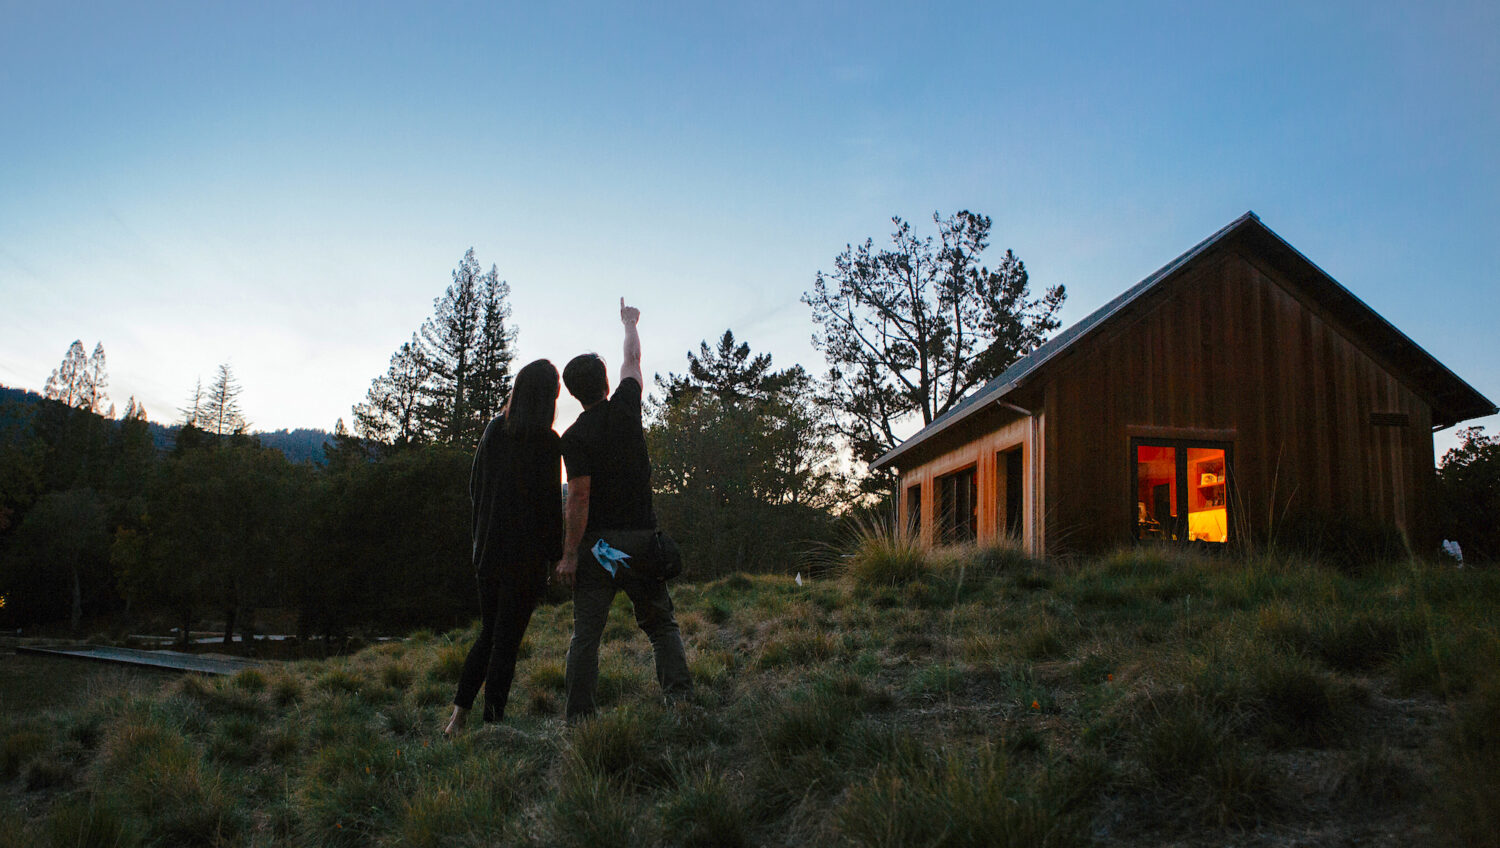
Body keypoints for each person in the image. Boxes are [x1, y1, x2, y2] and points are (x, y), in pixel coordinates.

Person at [555, 298, 691, 721]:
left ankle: (579, 718)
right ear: (606, 382)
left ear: (575, 393)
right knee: (660, 625)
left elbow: (578, 499)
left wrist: (570, 554)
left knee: (586, 637)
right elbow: (633, 357)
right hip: (640, 541)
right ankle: (681, 700)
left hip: (597, 549)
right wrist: (629, 322)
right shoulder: (628, 406)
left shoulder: (573, 438)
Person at [445, 359, 564, 734]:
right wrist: (556, 556)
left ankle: (457, 719)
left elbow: (472, 487)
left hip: (487, 553)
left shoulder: (496, 429)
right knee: (507, 642)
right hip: (523, 562)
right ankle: (493, 723)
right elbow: (549, 506)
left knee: (488, 632)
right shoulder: (548, 443)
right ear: (549, 398)